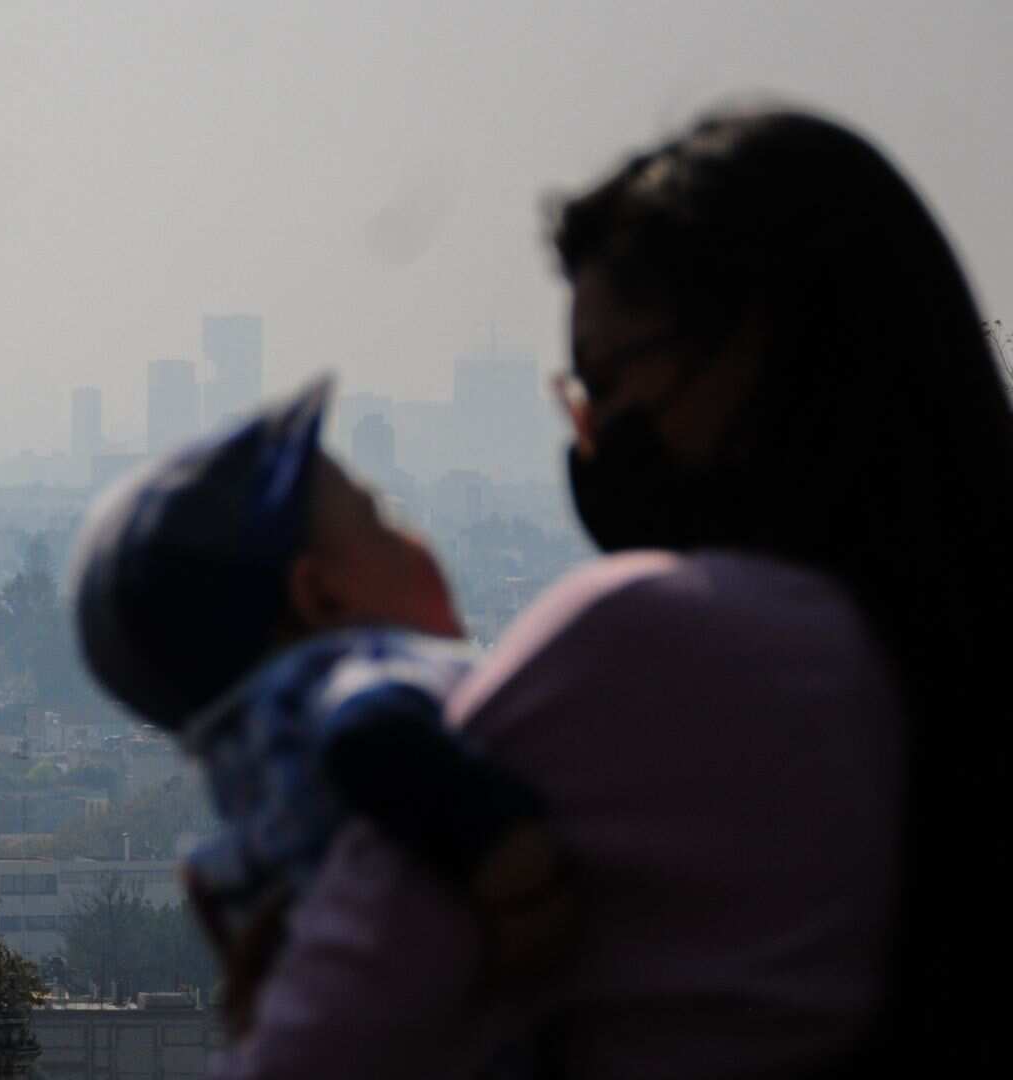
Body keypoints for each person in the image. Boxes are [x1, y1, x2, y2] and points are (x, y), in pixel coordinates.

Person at [218, 108, 1011, 1076]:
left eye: (607, 380)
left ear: (759, 348)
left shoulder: (652, 641)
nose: (591, 435)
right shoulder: (920, 656)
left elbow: (322, 1046)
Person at [70, 379, 572, 1027]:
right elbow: (369, 734)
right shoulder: (341, 675)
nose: (415, 536)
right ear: (321, 596)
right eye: (382, 519)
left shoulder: (252, 759)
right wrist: (511, 864)